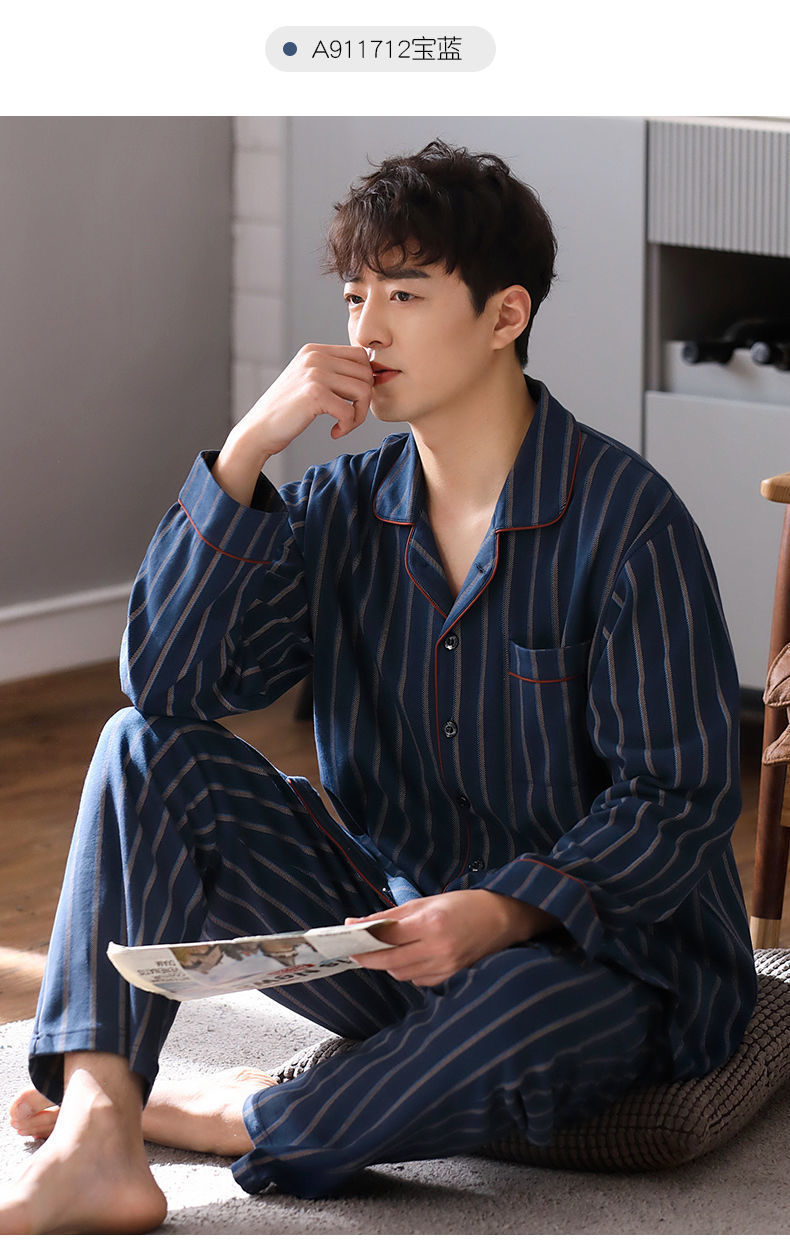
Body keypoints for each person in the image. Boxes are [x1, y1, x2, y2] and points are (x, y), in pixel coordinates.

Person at [2, 139, 757, 1234]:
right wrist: (247, 450)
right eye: (355, 295)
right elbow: (168, 685)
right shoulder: (341, 509)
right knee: (138, 746)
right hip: (395, 932)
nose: (366, 330)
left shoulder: (628, 521)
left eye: (404, 293)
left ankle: (233, 1116)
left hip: (610, 959)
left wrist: (505, 909)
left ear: (504, 316)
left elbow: (677, 798)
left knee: (519, 1013)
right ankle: (98, 1130)